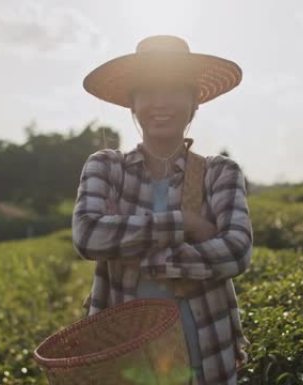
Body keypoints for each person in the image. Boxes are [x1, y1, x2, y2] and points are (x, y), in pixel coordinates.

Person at [72, 35, 253, 385]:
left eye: (173, 91)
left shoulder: (219, 172)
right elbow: (88, 235)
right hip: (126, 360)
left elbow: (236, 250)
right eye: (148, 92)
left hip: (206, 355)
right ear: (132, 104)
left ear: (194, 102)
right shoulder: (107, 168)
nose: (160, 104)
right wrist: (185, 223)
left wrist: (147, 258)